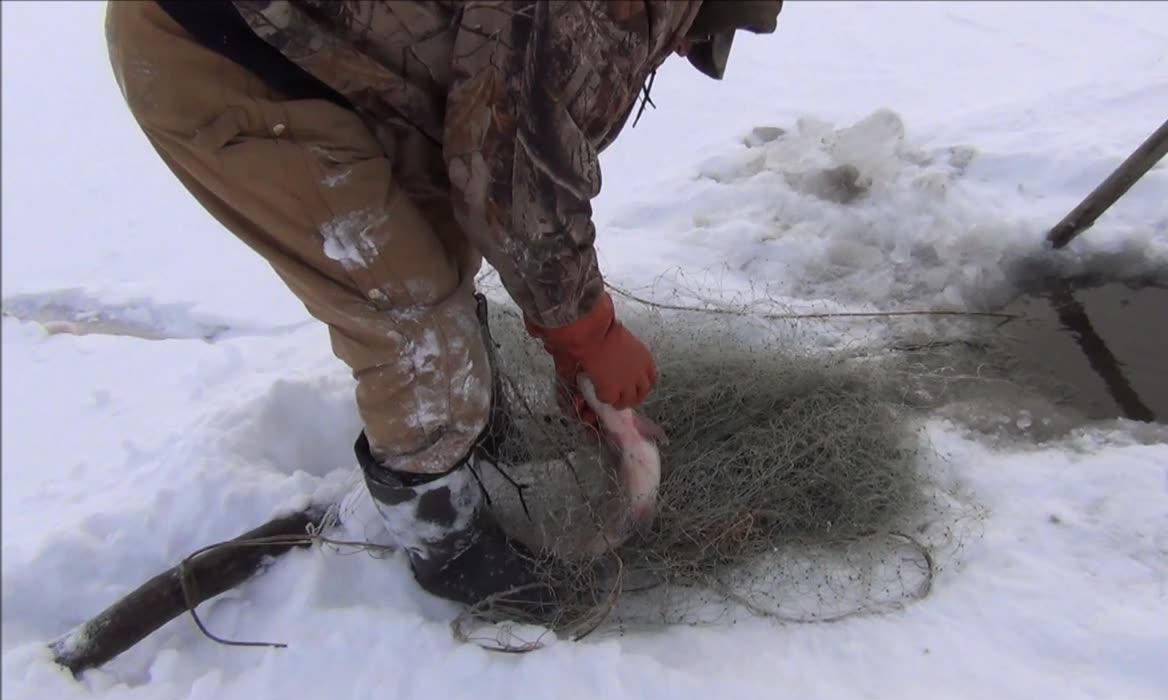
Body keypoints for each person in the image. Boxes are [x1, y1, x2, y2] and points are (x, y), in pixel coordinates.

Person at [104, 0, 783, 609]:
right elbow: (518, 179)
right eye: (690, 42)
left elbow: (494, 151)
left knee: (443, 248)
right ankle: (450, 548)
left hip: (333, 55)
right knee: (415, 317)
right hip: (223, 48)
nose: (672, 55)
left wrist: (565, 335)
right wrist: (587, 333)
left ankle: (468, 442)